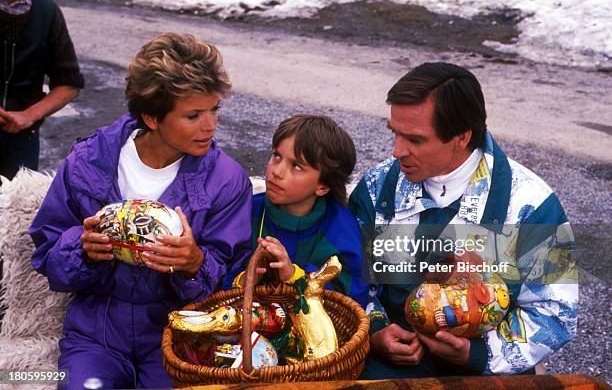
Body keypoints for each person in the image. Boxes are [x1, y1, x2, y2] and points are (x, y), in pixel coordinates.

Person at [29, 33, 252, 389]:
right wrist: (82, 250)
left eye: (214, 109)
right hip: (95, 336)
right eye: (193, 115)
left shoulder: (226, 180)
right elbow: (47, 258)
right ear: (151, 117)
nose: (210, 126)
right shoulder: (88, 162)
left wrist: (194, 263)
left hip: (179, 340)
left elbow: (235, 285)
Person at [349, 62, 578, 377]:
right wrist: (375, 331)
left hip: (485, 376)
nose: (396, 151)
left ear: (462, 136)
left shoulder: (531, 206)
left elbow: (554, 313)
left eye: (414, 140)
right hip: (385, 368)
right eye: (395, 134)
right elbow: (349, 277)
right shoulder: (377, 189)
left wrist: (477, 354)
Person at [225, 114, 368, 307]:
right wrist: (245, 279)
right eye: (277, 156)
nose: (276, 171)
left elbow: (352, 299)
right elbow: (218, 274)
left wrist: (295, 276)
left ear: (323, 186)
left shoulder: (341, 230)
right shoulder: (246, 212)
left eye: (296, 166)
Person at [0, 0, 84, 180]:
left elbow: (69, 83)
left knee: (17, 208)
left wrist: (29, 115)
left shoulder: (46, 11)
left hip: (21, 142)